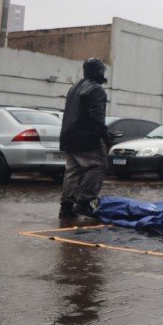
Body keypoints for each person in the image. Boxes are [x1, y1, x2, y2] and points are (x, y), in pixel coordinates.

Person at [59, 58, 112, 218]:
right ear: (98, 72)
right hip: (86, 139)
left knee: (73, 172)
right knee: (98, 166)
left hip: (69, 138)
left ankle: (66, 206)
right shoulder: (96, 90)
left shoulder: (74, 88)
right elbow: (97, 119)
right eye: (102, 71)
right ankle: (84, 202)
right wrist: (107, 138)